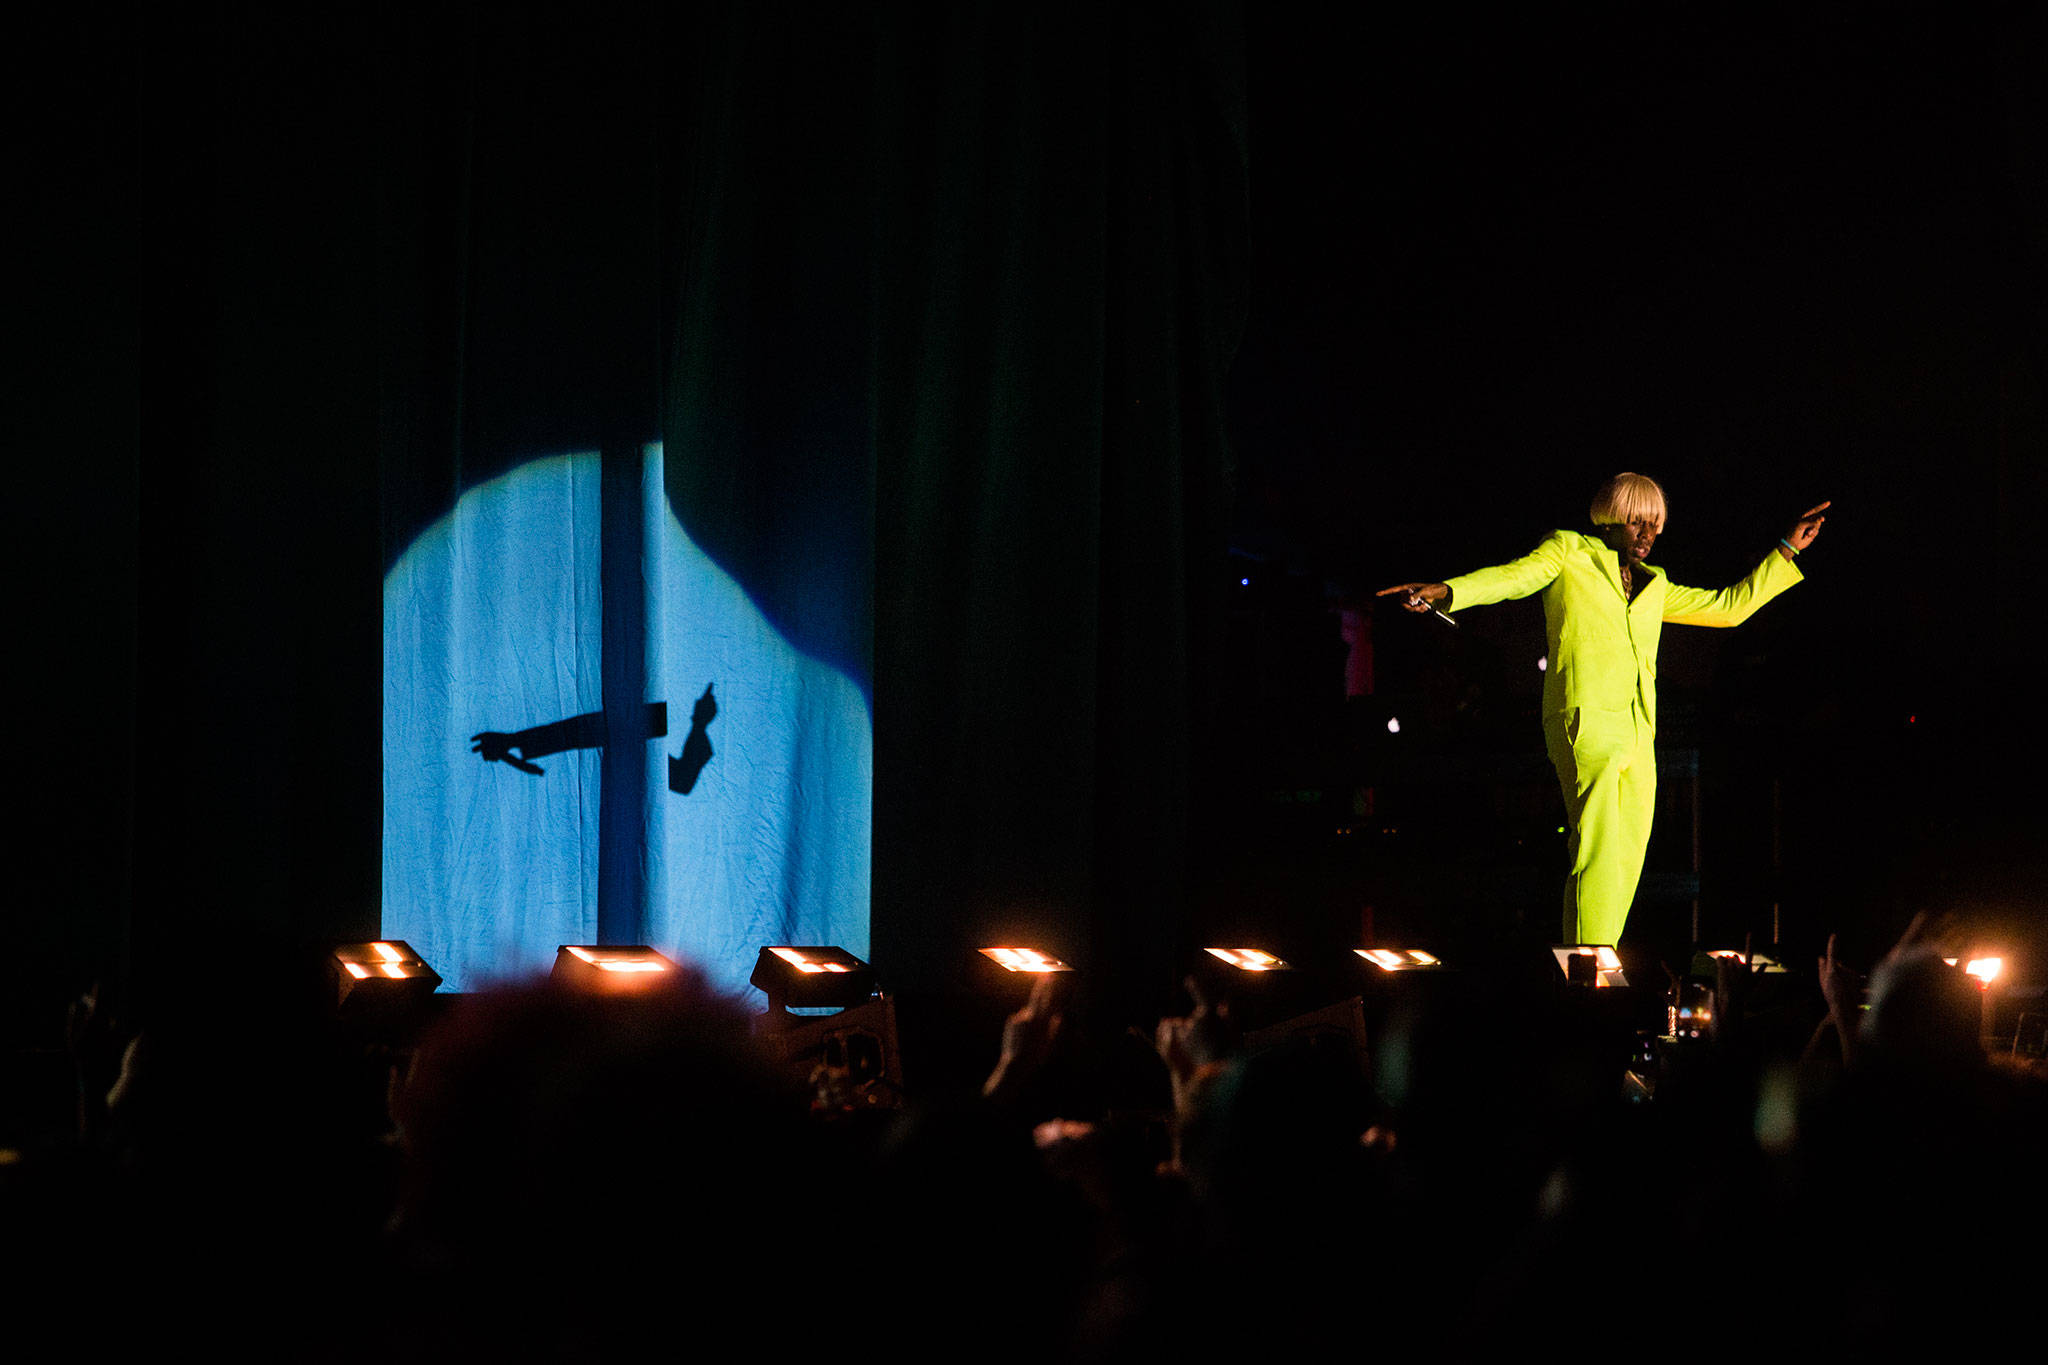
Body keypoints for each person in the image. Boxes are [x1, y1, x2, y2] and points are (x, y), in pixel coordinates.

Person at [1377, 474, 1829, 945]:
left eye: (1654, 526)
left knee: (1629, 853)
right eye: (1636, 522)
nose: (1646, 535)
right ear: (1609, 520)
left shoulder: (1655, 584)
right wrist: (1447, 590)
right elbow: (1515, 577)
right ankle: (1589, 960)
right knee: (1597, 844)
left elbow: (1728, 608)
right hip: (1586, 717)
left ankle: (1596, 953)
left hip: (1639, 729)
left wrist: (1786, 550)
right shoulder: (1570, 552)